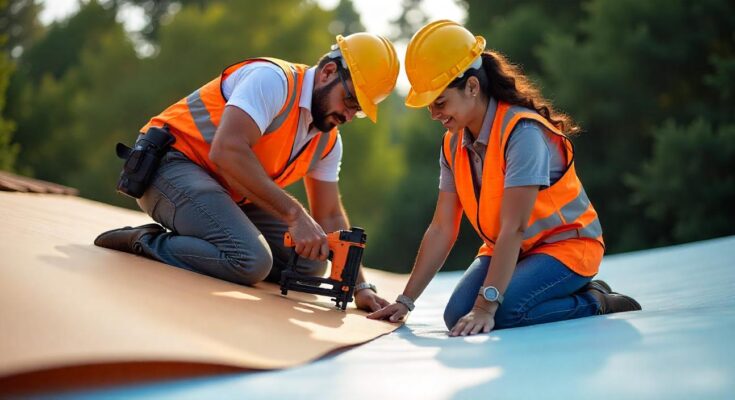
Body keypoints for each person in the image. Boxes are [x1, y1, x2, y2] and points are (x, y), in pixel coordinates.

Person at [368, 20, 640, 334]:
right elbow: (442, 227)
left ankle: (597, 300)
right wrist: (406, 300)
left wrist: (485, 306)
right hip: (514, 251)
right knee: (456, 314)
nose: (434, 114)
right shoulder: (453, 143)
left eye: (440, 102)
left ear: (472, 86)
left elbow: (515, 226)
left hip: (566, 248)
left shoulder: (521, 133)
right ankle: (535, 294)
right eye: (430, 106)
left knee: (504, 313)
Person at [94, 32, 399, 312]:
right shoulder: (273, 80)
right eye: (349, 100)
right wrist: (295, 215)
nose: (348, 114)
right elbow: (226, 150)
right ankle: (144, 242)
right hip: (168, 167)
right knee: (250, 260)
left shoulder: (328, 140)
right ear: (328, 72)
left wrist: (358, 284)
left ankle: (205, 242)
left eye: (358, 110)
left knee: (308, 262)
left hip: (225, 193)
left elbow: (330, 215)